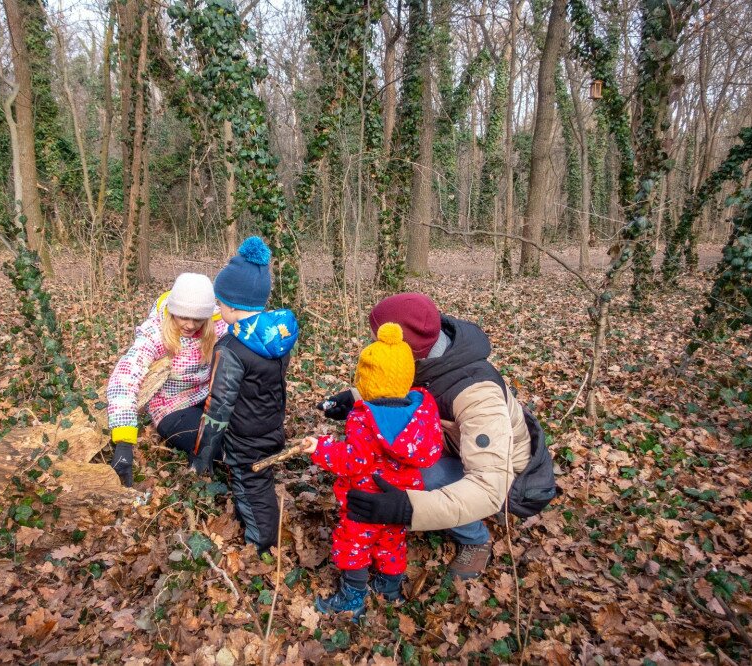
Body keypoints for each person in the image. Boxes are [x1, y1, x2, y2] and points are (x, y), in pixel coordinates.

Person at [318, 293, 557, 580]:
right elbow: (405, 387)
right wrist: (354, 398)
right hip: (450, 445)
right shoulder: (428, 354)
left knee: (416, 473)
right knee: (393, 459)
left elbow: (489, 486)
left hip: (504, 476)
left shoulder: (477, 394)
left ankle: (475, 539)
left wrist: (408, 508)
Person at [305, 323, 443, 621]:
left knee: (353, 544)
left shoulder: (363, 418)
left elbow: (353, 460)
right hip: (401, 500)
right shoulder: (421, 412)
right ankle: (388, 590)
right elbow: (429, 454)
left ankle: (353, 598)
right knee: (392, 542)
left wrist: (321, 448)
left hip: (364, 501)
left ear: (366, 378)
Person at [192, 237, 299, 554]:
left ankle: (263, 544)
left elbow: (218, 406)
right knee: (260, 480)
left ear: (233, 307)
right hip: (270, 426)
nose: (218, 310)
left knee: (250, 483)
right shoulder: (277, 336)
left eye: (220, 305)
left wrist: (203, 455)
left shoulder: (230, 349)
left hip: (244, 436)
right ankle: (256, 523)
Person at [106, 273, 228, 487]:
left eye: (198, 319)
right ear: (172, 311)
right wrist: (124, 441)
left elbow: (248, 332)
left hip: (209, 398)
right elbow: (124, 377)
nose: (190, 325)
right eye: (183, 317)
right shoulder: (155, 333)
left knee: (244, 437)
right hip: (172, 407)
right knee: (216, 444)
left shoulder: (218, 325)